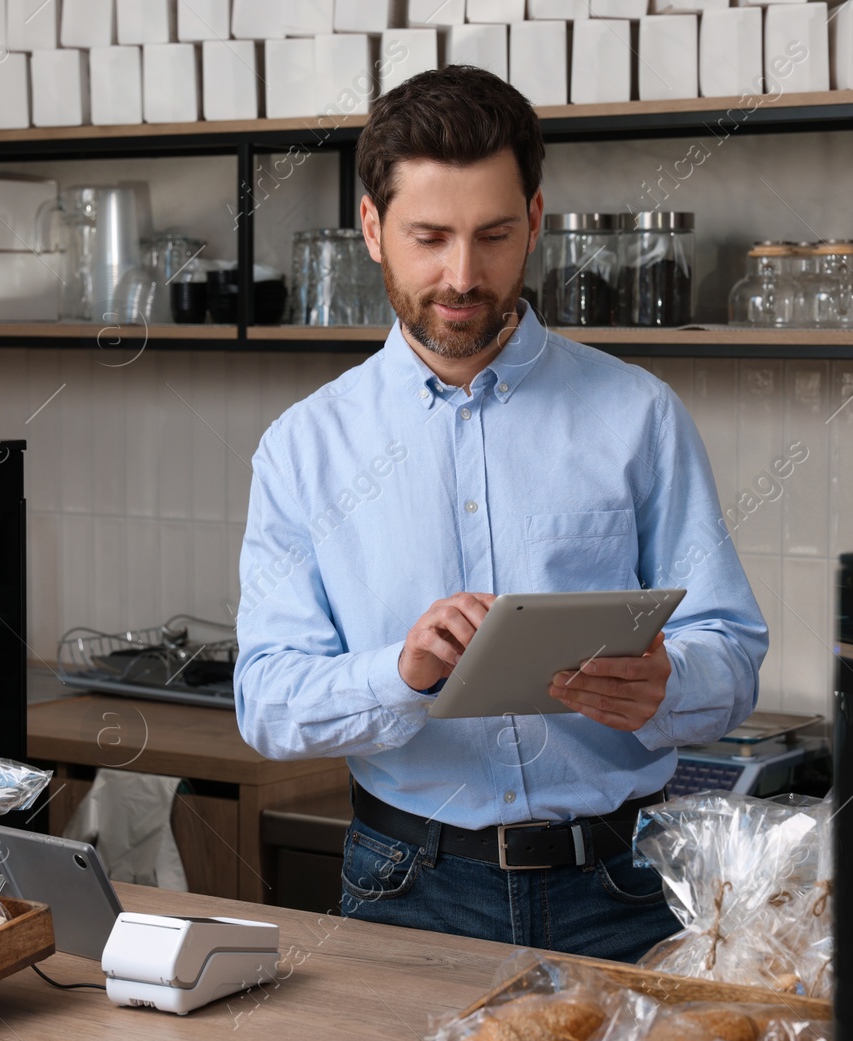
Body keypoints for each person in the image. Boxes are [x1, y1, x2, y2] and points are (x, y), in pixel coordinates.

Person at [232, 66, 768, 963]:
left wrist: (667, 683)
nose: (462, 275)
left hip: (627, 887)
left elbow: (735, 653)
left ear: (536, 221)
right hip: (407, 887)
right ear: (371, 228)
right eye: (429, 237)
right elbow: (268, 703)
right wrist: (399, 673)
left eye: (493, 235)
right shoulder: (303, 448)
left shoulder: (638, 414)